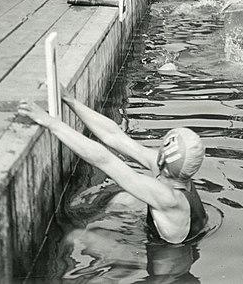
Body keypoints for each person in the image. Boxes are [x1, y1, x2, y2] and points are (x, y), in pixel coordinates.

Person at [17, 92, 208, 245]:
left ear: (164, 156)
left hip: (169, 269)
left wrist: (51, 123)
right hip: (176, 236)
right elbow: (115, 136)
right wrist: (70, 100)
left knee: (76, 236)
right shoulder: (175, 174)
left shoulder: (168, 197)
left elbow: (104, 159)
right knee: (122, 199)